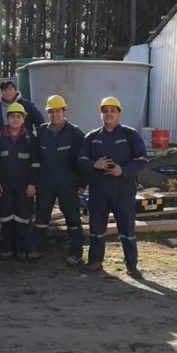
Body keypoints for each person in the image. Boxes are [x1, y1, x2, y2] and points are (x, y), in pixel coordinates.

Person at [78, 96, 148, 279]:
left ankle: (131, 265)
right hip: (99, 189)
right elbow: (81, 159)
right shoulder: (92, 137)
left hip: (123, 189)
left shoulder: (129, 134)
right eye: (105, 111)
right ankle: (95, 261)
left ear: (119, 113)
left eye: (112, 111)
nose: (108, 114)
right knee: (97, 227)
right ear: (100, 114)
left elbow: (142, 159)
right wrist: (95, 164)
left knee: (126, 228)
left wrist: (123, 170)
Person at [30, 95, 86, 265]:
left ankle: (75, 253)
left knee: (72, 218)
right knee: (41, 216)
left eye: (58, 111)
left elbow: (83, 160)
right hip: (45, 182)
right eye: (51, 111)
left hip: (67, 182)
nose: (54, 114)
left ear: (64, 111)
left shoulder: (75, 133)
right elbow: (34, 158)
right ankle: (38, 249)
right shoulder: (40, 132)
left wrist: (82, 183)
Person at [0, 103, 40, 259]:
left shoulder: (30, 138)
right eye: (12, 116)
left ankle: (21, 249)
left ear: (24, 119)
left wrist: (32, 184)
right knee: (6, 216)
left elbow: (35, 163)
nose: (15, 119)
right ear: (8, 118)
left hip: (24, 185)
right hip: (4, 184)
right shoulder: (0, 136)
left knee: (23, 216)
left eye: (18, 116)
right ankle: (8, 247)